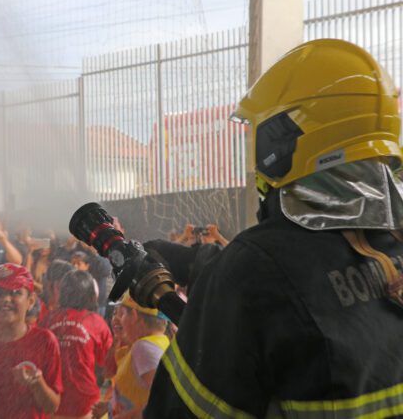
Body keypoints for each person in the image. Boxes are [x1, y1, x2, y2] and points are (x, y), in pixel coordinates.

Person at [143, 39, 403, 417]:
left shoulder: (251, 273)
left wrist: (222, 277)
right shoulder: (390, 248)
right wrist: (206, 264)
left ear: (281, 141)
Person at [0, 263, 62, 419]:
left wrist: (37, 384)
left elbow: (52, 406)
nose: (5, 300)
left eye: (15, 292)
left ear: (31, 301)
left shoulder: (44, 341)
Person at [41, 271, 112, 419]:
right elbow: (108, 366)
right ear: (92, 295)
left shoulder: (47, 320)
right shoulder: (97, 322)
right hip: (85, 402)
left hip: (52, 400)